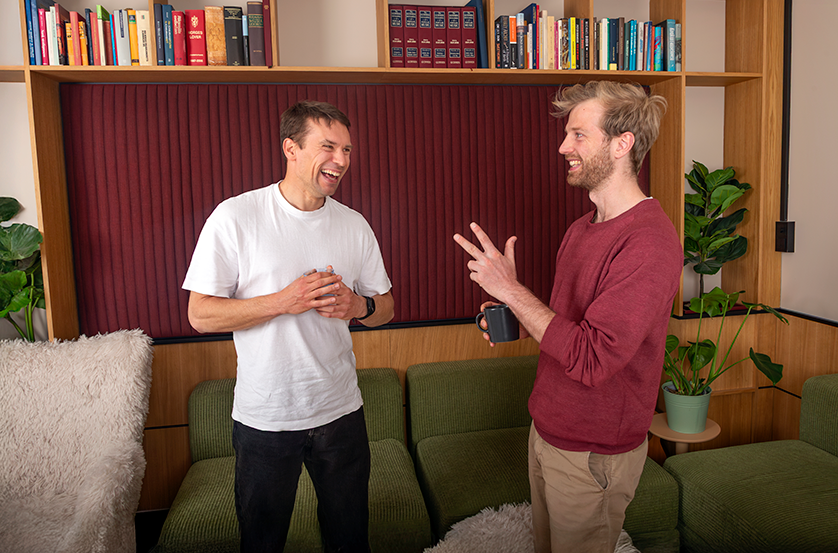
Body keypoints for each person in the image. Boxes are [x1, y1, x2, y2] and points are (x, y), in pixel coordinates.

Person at [453, 81, 682, 553]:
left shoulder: (649, 241)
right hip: (550, 432)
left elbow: (593, 358)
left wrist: (513, 290)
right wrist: (509, 307)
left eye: (578, 134)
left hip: (594, 452)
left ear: (623, 143)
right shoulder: (582, 229)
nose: (563, 146)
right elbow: (566, 330)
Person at [182, 100, 394, 553]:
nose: (341, 161)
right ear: (290, 149)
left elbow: (387, 307)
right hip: (266, 418)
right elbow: (200, 314)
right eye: (329, 147)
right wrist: (283, 301)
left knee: (350, 539)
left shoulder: (355, 225)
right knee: (262, 543)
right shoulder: (236, 217)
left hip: (341, 413)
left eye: (348, 150)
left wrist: (358, 305)